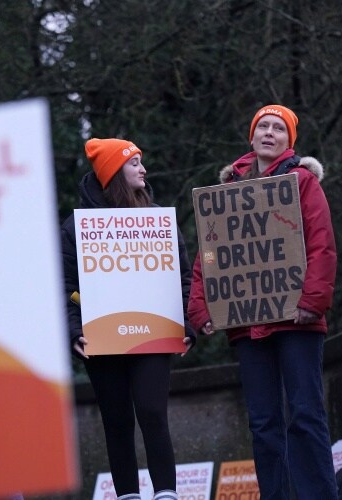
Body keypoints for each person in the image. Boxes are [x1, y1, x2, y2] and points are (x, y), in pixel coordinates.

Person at [188, 104, 338, 499]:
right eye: (263, 127)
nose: (269, 133)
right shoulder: (225, 193)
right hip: (245, 324)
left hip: (297, 320)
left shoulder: (303, 182)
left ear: (290, 141)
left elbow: (322, 244)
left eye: (278, 128)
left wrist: (312, 300)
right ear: (251, 137)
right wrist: (201, 309)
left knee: (305, 415)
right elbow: (209, 252)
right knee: (262, 423)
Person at [61, 138, 196, 500]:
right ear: (114, 172)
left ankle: (166, 493)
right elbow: (65, 287)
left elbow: (183, 279)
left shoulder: (159, 223)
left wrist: (186, 324)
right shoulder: (75, 228)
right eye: (135, 163)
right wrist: (74, 331)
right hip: (101, 339)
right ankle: (127, 496)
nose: (143, 169)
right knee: (117, 420)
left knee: (153, 412)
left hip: (152, 333)